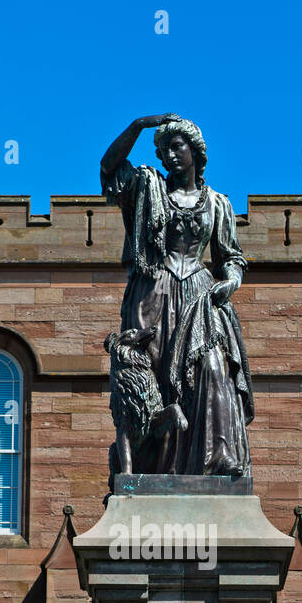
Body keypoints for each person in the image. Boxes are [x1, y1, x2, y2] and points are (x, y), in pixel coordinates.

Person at [100, 114, 254, 476]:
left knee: (213, 369)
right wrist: (139, 125)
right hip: (152, 295)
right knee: (149, 381)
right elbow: (109, 168)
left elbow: (231, 257)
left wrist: (230, 282)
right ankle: (149, 469)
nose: (168, 155)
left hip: (200, 298)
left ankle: (216, 457)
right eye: (162, 149)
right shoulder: (145, 188)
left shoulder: (217, 204)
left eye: (176, 147)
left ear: (195, 152)